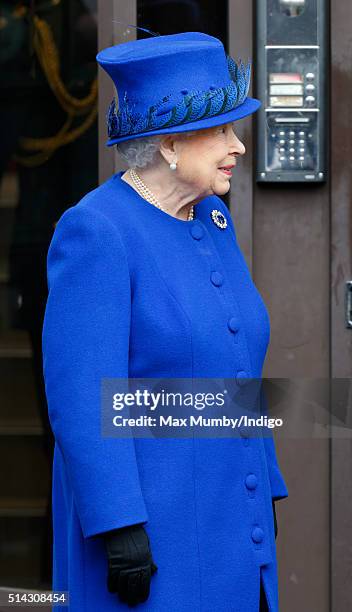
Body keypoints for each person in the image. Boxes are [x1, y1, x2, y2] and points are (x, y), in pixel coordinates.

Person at [41, 31, 288, 611]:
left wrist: (266, 485)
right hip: (153, 532)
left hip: (231, 517)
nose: (239, 147)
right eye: (223, 132)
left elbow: (236, 362)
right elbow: (80, 397)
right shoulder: (97, 231)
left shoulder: (214, 219)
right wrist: (118, 522)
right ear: (171, 144)